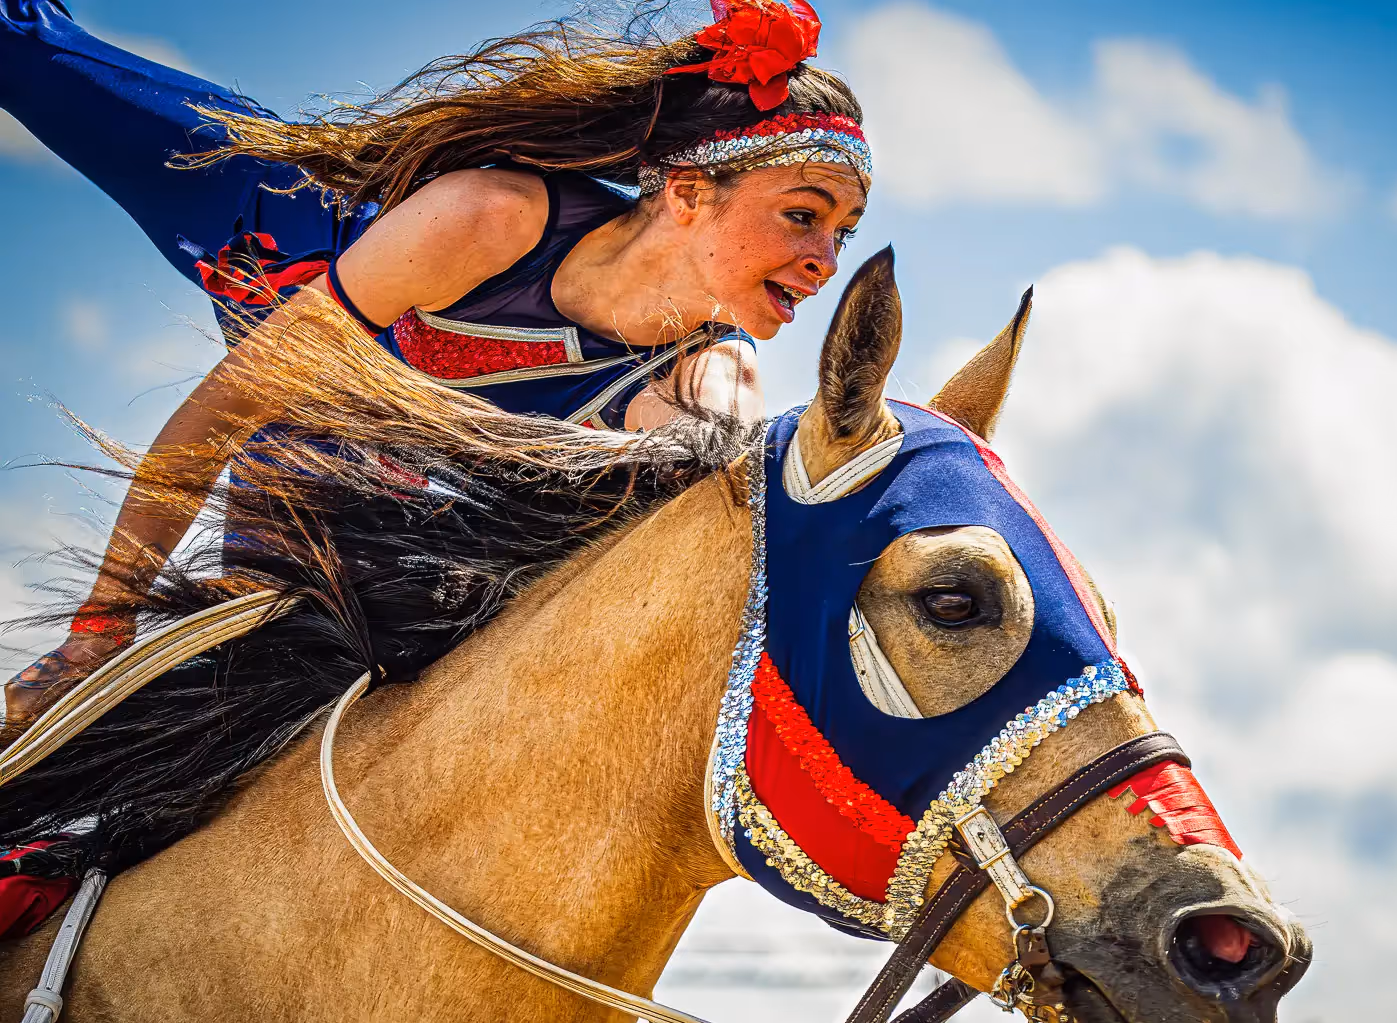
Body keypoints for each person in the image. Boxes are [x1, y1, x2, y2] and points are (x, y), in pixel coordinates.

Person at [0, 0, 870, 729]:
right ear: (684, 194)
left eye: (845, 234)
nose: (827, 260)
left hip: (328, 458)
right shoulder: (487, 216)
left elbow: (725, 549)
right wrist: (97, 631)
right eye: (803, 215)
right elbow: (223, 410)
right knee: (30, 48)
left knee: (217, 716)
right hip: (275, 227)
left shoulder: (708, 385)